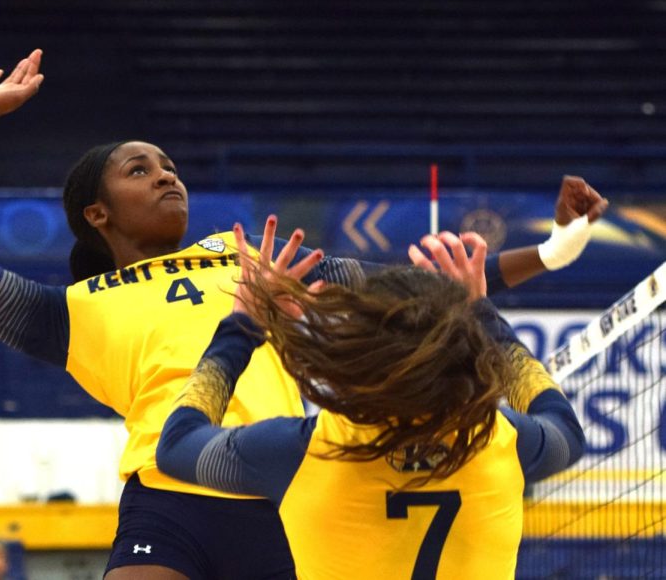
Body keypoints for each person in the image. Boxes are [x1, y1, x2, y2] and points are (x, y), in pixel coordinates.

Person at [0, 49, 605, 580]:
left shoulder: (247, 259)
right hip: (170, 494)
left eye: (170, 164)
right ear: (98, 213)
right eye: (140, 169)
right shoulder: (70, 310)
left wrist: (555, 249)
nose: (166, 174)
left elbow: (424, 285)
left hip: (286, 482)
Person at [156, 224, 585, 579]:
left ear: (357, 351)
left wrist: (243, 327)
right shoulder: (504, 440)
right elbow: (563, 427)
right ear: (467, 349)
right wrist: (485, 316)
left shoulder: (296, 450)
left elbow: (175, 444)